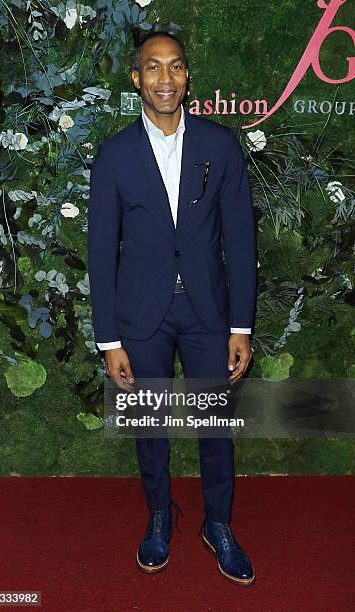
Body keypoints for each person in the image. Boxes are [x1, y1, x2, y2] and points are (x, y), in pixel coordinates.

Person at [87, 31, 257, 586]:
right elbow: (100, 251)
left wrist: (241, 325)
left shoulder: (220, 146)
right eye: (153, 69)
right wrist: (108, 340)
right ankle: (160, 515)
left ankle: (219, 524)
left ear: (188, 76)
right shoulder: (114, 156)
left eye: (176, 67)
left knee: (215, 425)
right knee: (150, 425)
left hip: (209, 313)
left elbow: (240, 239)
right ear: (136, 78)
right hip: (143, 317)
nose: (165, 79)